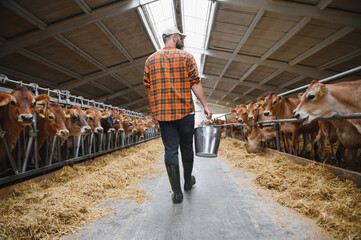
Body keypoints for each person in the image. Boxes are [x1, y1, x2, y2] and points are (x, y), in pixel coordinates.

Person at [143, 26, 212, 204]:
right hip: (185, 111)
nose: (182, 41)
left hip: (164, 114)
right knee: (187, 147)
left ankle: (177, 193)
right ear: (174, 38)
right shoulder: (187, 56)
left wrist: (153, 111)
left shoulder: (150, 60)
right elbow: (195, 83)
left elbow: (149, 88)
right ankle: (188, 181)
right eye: (180, 38)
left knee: (170, 150)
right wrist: (205, 105)